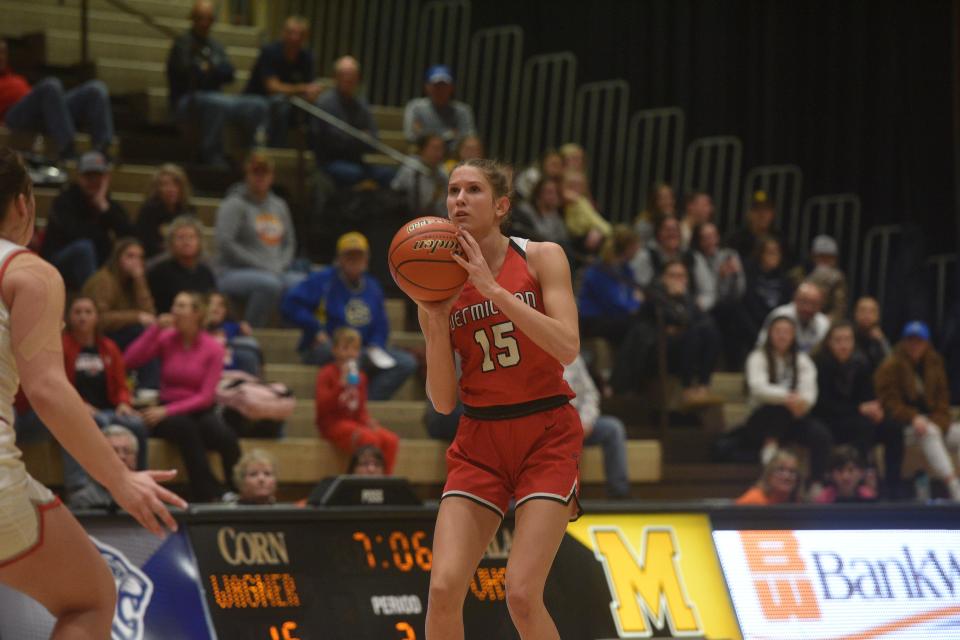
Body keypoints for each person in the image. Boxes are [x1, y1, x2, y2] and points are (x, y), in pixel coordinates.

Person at [0, 146, 183, 638]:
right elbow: (48, 392)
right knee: (91, 599)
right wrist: (121, 482)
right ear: (24, 204)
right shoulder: (26, 271)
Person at [419, 158, 582, 638]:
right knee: (445, 589)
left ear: (502, 205)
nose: (459, 200)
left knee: (522, 595)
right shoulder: (438, 279)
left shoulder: (541, 257)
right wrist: (433, 323)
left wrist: (492, 290)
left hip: (546, 434)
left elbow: (567, 347)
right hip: (480, 438)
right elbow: (444, 403)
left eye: (473, 190)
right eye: (452, 191)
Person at [16, 296, 149, 493]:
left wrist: (123, 403)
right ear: (69, 318)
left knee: (136, 424)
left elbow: (122, 385)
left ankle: (143, 479)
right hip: (77, 410)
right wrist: (79, 406)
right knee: (92, 424)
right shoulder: (60, 346)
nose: (83, 317)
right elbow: (58, 384)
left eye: (88, 312)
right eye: (78, 312)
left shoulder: (108, 347)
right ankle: (92, 487)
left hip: (108, 409)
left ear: (96, 317)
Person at [125, 291, 240, 502]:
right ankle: (208, 494)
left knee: (224, 435)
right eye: (174, 306)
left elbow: (205, 397)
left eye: (180, 306)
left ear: (196, 313)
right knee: (186, 430)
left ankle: (238, 488)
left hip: (194, 408)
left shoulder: (213, 348)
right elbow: (130, 360)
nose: (173, 312)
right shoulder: (167, 338)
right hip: (168, 409)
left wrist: (166, 411)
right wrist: (155, 329)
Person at [282, 231, 416, 400]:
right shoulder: (322, 280)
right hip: (330, 345)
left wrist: (376, 345)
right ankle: (349, 406)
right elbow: (291, 304)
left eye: (358, 256)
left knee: (406, 362)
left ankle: (366, 403)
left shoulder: (373, 286)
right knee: (350, 358)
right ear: (339, 259)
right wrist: (315, 329)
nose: (354, 261)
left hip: (364, 348)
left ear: (366, 260)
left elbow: (381, 325)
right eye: (349, 256)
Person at [166, 0, 267, 166]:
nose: (205, 23)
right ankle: (211, 153)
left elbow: (229, 73)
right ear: (192, 18)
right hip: (186, 100)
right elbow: (186, 73)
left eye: (209, 19)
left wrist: (208, 69)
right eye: (200, 18)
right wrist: (213, 70)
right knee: (216, 103)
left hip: (216, 96)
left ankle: (255, 154)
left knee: (258, 104)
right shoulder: (182, 43)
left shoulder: (216, 46)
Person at [739, 315, 832, 483]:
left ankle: (816, 483)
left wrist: (800, 403)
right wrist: (787, 398)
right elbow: (757, 388)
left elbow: (810, 395)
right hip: (761, 419)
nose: (782, 336)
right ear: (769, 334)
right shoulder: (757, 357)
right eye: (778, 331)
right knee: (778, 412)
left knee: (821, 434)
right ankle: (769, 472)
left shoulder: (802, 360)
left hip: (794, 417)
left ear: (793, 336)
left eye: (787, 332)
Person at [874, 321, 960, 500]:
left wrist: (937, 421)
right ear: (904, 342)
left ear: (926, 343)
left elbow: (943, 401)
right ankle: (955, 489)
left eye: (919, 341)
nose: (914, 345)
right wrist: (913, 417)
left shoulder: (935, 364)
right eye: (910, 340)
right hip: (903, 427)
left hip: (932, 422)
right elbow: (890, 403)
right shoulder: (891, 366)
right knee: (929, 432)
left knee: (950, 432)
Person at [215, 152, 303, 327]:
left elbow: (289, 242)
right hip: (233, 271)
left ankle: (290, 334)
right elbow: (225, 243)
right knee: (268, 284)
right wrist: (263, 267)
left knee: (302, 282)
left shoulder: (279, 205)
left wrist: (281, 265)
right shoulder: (234, 204)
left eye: (265, 173)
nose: (260, 177)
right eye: (256, 172)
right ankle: (252, 333)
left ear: (272, 176)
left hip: (276, 270)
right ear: (247, 174)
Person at [0, 40, 114, 161]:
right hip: (14, 119)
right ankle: (67, 148)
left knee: (96, 89)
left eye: (3, 52)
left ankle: (102, 150)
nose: (1, 56)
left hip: (44, 114)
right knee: (51, 85)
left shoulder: (14, 78)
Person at [40, 151, 133, 290]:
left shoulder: (108, 204)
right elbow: (76, 233)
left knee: (130, 253)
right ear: (79, 176)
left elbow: (129, 235)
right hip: (58, 262)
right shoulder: (64, 201)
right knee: (84, 248)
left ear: (106, 178)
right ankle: (94, 298)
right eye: (89, 176)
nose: (93, 181)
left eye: (98, 176)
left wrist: (103, 207)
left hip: (96, 263)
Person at [314, 328, 399, 473]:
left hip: (354, 423)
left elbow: (360, 409)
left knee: (391, 439)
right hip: (332, 424)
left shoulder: (361, 377)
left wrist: (367, 421)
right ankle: (364, 479)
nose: (350, 353)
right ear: (334, 350)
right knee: (368, 439)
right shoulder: (326, 373)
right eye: (345, 348)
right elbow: (322, 408)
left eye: (354, 349)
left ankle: (383, 481)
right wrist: (340, 385)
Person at [640, 260, 722, 405]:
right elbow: (672, 318)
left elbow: (704, 320)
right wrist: (682, 319)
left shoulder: (687, 298)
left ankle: (703, 385)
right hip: (658, 351)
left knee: (710, 331)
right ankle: (687, 388)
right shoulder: (654, 295)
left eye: (682, 276)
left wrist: (683, 309)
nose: (678, 280)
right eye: (673, 275)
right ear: (663, 278)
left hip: (686, 346)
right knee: (693, 333)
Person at [312, 55, 393, 188]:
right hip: (330, 161)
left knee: (387, 174)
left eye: (352, 75)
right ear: (335, 77)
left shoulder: (361, 104)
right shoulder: (325, 102)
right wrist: (361, 137)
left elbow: (374, 139)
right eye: (344, 75)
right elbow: (333, 141)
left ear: (358, 78)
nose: (348, 79)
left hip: (357, 161)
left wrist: (356, 138)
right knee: (354, 174)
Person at [245, 15, 324, 147]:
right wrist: (303, 89)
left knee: (318, 107)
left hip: (291, 102)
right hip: (259, 99)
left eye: (300, 34)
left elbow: (310, 87)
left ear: (305, 37)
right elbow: (272, 87)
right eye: (291, 33)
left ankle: (315, 154)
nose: (295, 38)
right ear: (283, 33)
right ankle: (276, 149)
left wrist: (312, 93)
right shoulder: (269, 51)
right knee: (280, 103)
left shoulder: (307, 57)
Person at [812, 321, 886, 459]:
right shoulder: (819, 365)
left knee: (892, 426)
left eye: (848, 340)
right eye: (838, 340)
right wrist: (859, 409)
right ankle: (860, 471)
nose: (843, 345)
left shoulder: (861, 363)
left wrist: (875, 408)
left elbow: (868, 395)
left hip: (853, 413)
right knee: (863, 426)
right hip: (827, 418)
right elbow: (822, 405)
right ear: (829, 342)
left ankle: (892, 478)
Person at [563, 355, 630, 498]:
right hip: (551, 428)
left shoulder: (571, 356)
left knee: (613, 429)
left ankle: (619, 493)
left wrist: (585, 421)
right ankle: (561, 497)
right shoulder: (532, 356)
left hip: (578, 423)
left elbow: (590, 394)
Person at [688, 221, 746, 367]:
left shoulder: (729, 255)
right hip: (704, 306)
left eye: (713, 236)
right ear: (698, 240)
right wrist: (719, 276)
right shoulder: (694, 258)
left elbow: (740, 291)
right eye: (705, 237)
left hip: (727, 305)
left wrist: (736, 274)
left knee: (736, 314)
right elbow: (707, 291)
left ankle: (735, 367)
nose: (710, 241)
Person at [81, 238, 156, 349]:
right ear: (117, 258)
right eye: (130, 256)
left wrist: (139, 281)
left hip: (123, 333)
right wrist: (137, 317)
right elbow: (99, 319)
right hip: (99, 336)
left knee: (153, 334)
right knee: (141, 333)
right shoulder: (104, 280)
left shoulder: (134, 281)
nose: (136, 262)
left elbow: (150, 315)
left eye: (140, 257)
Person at [577, 225, 643, 346]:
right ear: (627, 248)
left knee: (643, 325)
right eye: (636, 246)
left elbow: (631, 296)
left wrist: (634, 305)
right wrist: (636, 304)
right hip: (593, 319)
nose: (638, 249)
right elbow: (612, 304)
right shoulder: (600, 270)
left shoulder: (627, 270)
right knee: (634, 327)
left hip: (614, 317)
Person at [147, 216, 218, 314]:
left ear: (199, 242)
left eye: (191, 237)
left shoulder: (206, 272)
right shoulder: (159, 272)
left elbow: (211, 306)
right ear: (171, 243)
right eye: (180, 237)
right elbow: (151, 309)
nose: (186, 242)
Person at [402, 64, 476, 154]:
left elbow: (468, 138)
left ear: (451, 88)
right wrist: (450, 135)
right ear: (427, 87)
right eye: (436, 86)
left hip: (454, 155)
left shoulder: (463, 110)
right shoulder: (415, 107)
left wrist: (425, 134)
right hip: (423, 156)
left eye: (444, 86)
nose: (440, 90)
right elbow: (411, 136)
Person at [67, 425, 141, 510]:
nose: (122, 456)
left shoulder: (148, 496)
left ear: (135, 459)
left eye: (127, 451)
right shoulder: (83, 499)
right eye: (114, 451)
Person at [135, 164, 196, 260]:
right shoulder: (148, 211)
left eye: (175, 184)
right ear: (157, 189)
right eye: (165, 184)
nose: (171, 189)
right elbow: (145, 245)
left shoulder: (189, 210)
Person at [757, 281, 830, 354]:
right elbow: (761, 345)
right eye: (804, 301)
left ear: (821, 305)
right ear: (795, 299)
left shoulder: (823, 323)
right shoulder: (779, 315)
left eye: (814, 304)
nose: (808, 308)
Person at [390, 133, 448, 217]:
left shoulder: (443, 173)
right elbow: (395, 192)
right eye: (435, 148)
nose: (439, 153)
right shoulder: (410, 167)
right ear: (422, 149)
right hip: (406, 218)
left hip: (436, 219)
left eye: (441, 149)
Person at [205, 292, 262, 377]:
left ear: (226, 310)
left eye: (220, 305)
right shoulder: (196, 328)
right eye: (211, 304)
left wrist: (243, 327)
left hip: (229, 372)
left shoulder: (231, 326)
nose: (215, 308)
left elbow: (246, 330)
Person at [724, 191, 785, 263]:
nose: (762, 215)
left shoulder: (780, 240)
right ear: (749, 213)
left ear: (772, 214)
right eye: (757, 210)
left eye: (766, 210)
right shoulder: (736, 239)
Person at [561, 169, 611, 254]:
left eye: (579, 184)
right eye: (572, 184)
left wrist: (600, 230)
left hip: (591, 237)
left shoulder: (582, 200)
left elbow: (594, 220)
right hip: (575, 240)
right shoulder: (574, 199)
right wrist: (605, 230)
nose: (576, 188)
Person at [631, 214, 687, 288]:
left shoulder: (689, 256)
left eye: (675, 230)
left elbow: (705, 290)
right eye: (667, 230)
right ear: (658, 233)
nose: (672, 234)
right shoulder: (645, 256)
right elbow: (639, 287)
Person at [736, 449, 803, 505]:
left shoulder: (797, 503)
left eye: (792, 471)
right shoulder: (753, 499)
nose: (787, 476)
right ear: (769, 474)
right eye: (780, 470)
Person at [813, 446, 877, 504]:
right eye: (839, 470)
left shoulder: (868, 498)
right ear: (831, 474)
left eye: (851, 470)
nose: (845, 477)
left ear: (861, 472)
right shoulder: (823, 500)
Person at [805, 234, 848, 321]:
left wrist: (825, 322)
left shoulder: (837, 278)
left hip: (825, 319)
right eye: (821, 256)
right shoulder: (800, 273)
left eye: (829, 257)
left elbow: (839, 308)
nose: (825, 260)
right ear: (813, 256)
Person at [853, 296, 890, 374]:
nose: (867, 315)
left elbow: (889, 365)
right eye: (862, 310)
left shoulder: (880, 340)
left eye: (871, 311)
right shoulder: (848, 336)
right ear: (855, 313)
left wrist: (882, 341)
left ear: (877, 316)